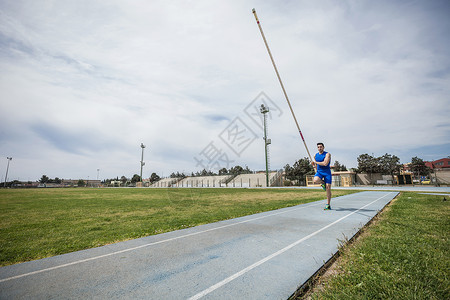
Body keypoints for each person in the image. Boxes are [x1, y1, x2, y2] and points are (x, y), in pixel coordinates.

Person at [311, 142, 332, 210]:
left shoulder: (327, 154)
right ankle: (323, 183)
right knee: (315, 180)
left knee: (328, 188)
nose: (319, 148)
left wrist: (315, 162)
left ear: (323, 147)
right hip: (319, 172)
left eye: (321, 147)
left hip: (327, 172)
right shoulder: (315, 155)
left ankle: (328, 204)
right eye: (318, 147)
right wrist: (315, 167)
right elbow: (316, 165)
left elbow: (325, 163)